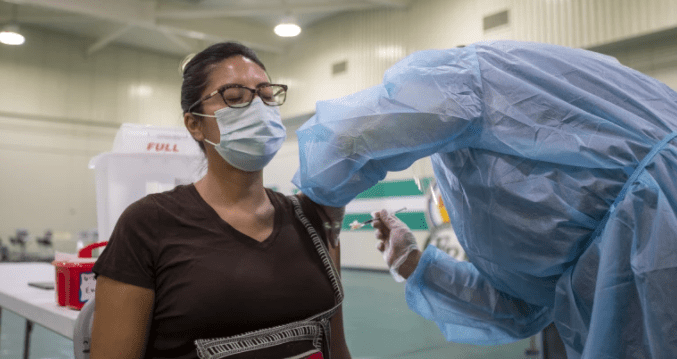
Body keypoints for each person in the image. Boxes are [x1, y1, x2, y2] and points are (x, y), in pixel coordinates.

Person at [292, 40, 677, 359]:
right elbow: (528, 307)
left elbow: (343, 141)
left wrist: (314, 202)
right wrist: (414, 263)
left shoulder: (464, 75)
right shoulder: (563, 123)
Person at [91, 42, 351, 359]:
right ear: (195, 124)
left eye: (267, 96)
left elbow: (335, 345)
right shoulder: (148, 224)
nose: (258, 108)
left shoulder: (311, 217)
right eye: (234, 97)